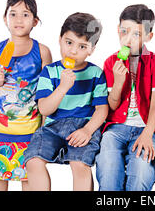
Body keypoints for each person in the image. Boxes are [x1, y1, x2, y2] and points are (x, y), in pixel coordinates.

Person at [23, 12, 108, 191]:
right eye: (69, 42)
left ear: (92, 49)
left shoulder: (96, 74)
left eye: (82, 46)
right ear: (60, 39)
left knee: (79, 164)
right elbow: (44, 109)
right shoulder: (50, 72)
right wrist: (62, 88)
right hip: (52, 128)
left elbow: (102, 109)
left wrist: (87, 130)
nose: (74, 51)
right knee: (33, 161)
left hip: (84, 126)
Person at [0, 0, 52, 191]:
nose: (19, 19)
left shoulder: (42, 51)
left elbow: (48, 92)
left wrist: (45, 127)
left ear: (35, 21)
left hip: (30, 129)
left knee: (28, 180)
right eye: (13, 14)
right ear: (5, 19)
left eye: (26, 14)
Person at [95, 4, 155, 191]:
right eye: (124, 32)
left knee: (141, 173)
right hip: (115, 129)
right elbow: (110, 106)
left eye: (136, 34)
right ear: (118, 30)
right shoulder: (111, 62)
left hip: (146, 127)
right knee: (108, 169)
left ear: (149, 37)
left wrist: (148, 134)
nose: (128, 39)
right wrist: (118, 83)